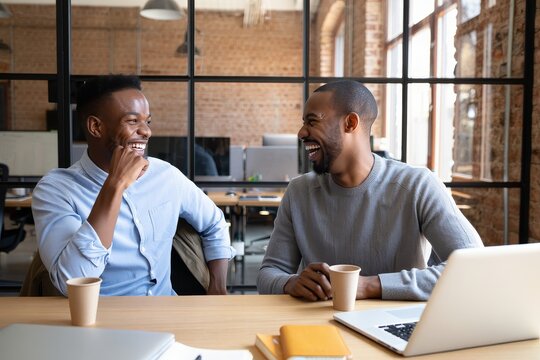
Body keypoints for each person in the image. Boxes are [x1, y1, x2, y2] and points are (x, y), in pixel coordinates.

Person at [257, 80, 483, 301]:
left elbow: (473, 267)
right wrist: (291, 283)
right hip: (317, 329)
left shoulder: (417, 185)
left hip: (393, 327)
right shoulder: (298, 192)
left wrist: (368, 286)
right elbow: (269, 273)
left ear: (350, 123)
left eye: (312, 122)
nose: (301, 133)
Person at [32, 75, 235, 296]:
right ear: (95, 127)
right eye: (132, 121)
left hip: (167, 312)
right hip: (101, 320)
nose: (146, 131)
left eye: (147, 121)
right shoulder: (56, 189)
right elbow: (71, 282)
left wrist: (217, 286)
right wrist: (115, 185)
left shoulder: (165, 175)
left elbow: (215, 223)